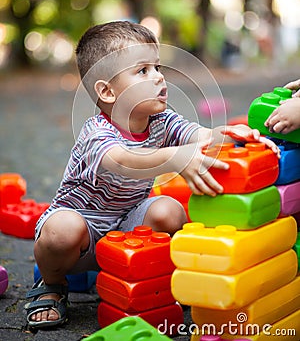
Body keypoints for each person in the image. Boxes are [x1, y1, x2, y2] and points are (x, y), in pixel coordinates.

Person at [25, 21, 280, 329]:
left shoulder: (161, 120)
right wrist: (176, 158)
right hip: (83, 236)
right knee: (61, 230)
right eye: (142, 70)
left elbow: (197, 136)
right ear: (107, 91)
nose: (159, 76)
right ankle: (52, 285)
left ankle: (158, 277)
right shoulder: (96, 133)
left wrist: (231, 135)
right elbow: (123, 160)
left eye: (157, 66)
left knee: (169, 209)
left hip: (131, 230)